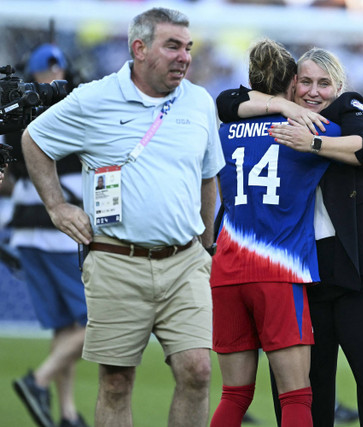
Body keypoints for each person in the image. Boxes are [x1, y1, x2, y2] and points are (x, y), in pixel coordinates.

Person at [20, 7, 223, 427]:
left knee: (198, 371)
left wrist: (206, 248)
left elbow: (209, 178)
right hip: (116, 260)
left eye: (188, 47)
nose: (184, 56)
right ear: (140, 48)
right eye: (172, 46)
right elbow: (34, 139)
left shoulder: (200, 101)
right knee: (115, 382)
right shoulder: (94, 97)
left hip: (186, 262)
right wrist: (57, 206)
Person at [220, 46, 363, 427]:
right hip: (303, 273)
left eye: (324, 84)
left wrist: (314, 144)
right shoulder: (281, 119)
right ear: (291, 86)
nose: (313, 91)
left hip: (362, 269)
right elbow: (227, 102)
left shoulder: (345, 111)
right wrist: (288, 111)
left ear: (338, 87)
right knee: (304, 392)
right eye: (304, 81)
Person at [209, 38, 340, 427]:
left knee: (234, 395)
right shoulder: (307, 128)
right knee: (297, 396)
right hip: (278, 273)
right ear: (292, 84)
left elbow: (227, 103)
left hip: (227, 272)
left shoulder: (224, 131)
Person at [8, 43, 89, 427]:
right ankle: (37, 381)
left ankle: (68, 412)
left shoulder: (15, 111)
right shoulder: (71, 106)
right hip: (59, 232)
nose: (56, 78)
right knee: (94, 322)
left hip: (26, 232)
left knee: (65, 327)